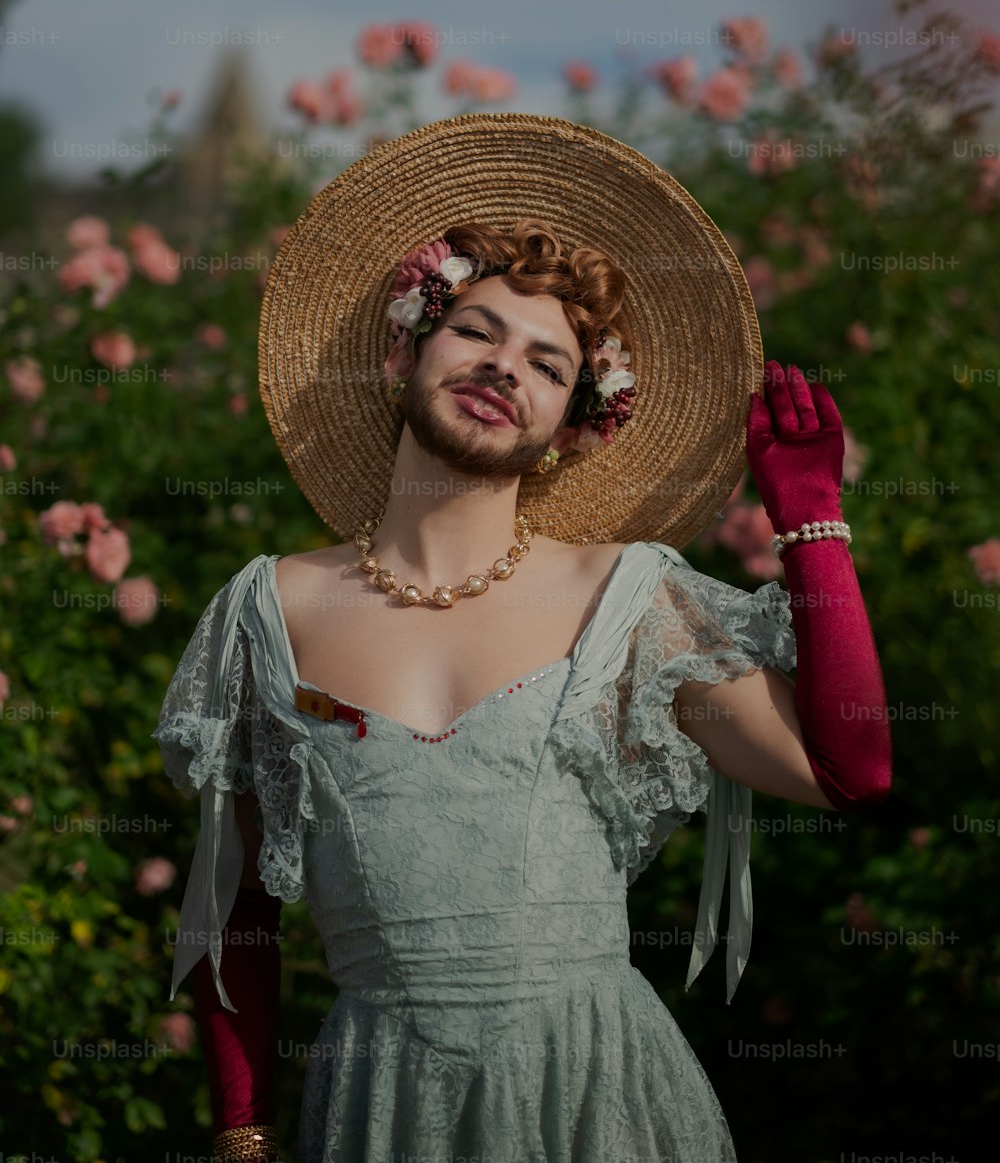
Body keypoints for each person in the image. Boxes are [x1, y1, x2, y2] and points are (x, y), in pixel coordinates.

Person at [152, 114, 892, 1162]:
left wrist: (812, 525)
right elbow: (234, 919)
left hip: (601, 1099)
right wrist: (241, 1136)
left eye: (548, 364)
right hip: (381, 1110)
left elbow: (848, 769)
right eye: (477, 331)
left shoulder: (630, 603)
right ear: (407, 346)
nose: (506, 367)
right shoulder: (268, 608)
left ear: (568, 424)